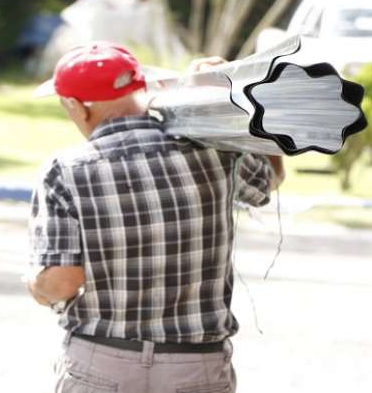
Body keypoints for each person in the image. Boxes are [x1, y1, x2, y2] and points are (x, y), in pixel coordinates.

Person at [26, 41, 284, 393]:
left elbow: (61, 283)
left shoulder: (66, 170)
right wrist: (231, 109)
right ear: (141, 86)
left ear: (76, 107)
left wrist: (35, 285)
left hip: (102, 361)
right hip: (197, 366)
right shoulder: (213, 146)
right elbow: (269, 178)